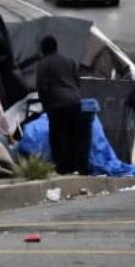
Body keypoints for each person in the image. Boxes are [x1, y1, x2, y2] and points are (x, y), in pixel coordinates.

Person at [35, 35, 86, 174]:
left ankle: (62, 168)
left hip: (57, 104)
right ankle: (76, 167)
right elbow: (77, 82)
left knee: (58, 135)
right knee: (74, 135)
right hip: (75, 101)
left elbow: (42, 87)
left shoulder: (43, 64)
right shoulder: (69, 61)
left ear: (43, 49)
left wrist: (46, 107)